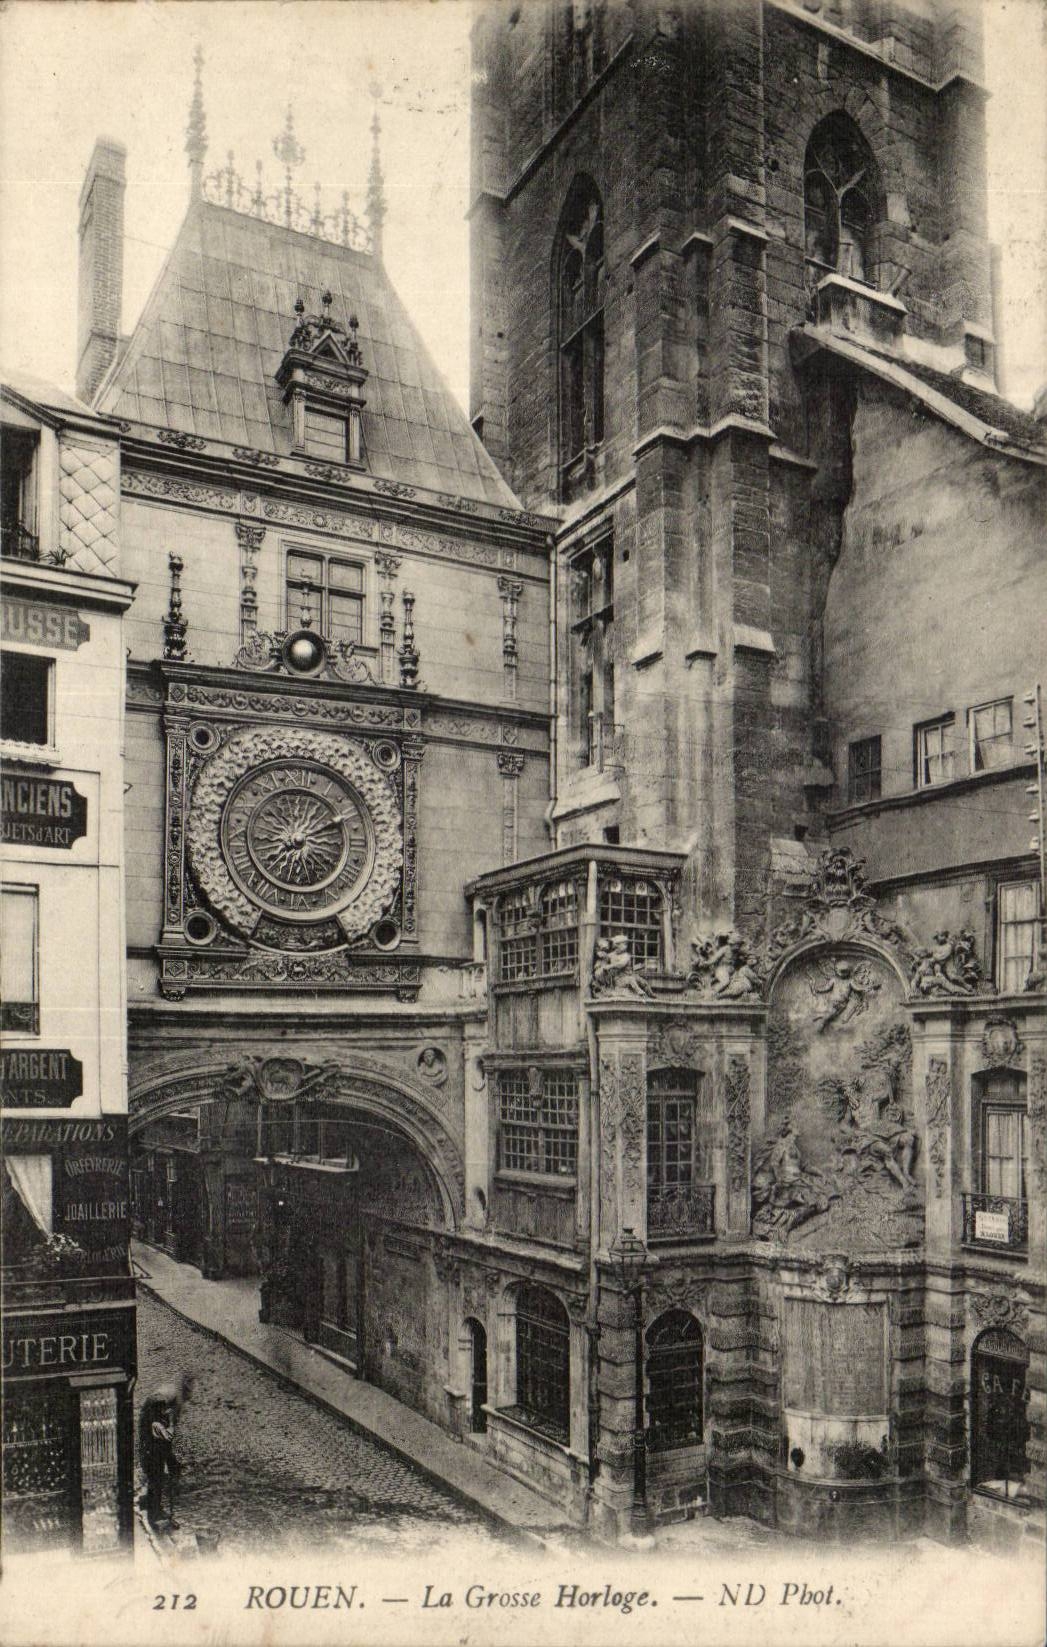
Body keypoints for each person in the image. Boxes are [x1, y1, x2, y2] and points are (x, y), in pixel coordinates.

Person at [138, 1370, 195, 1531]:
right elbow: (164, 1431)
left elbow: (169, 1433)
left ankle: (153, 1507)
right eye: (190, 1388)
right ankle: (154, 1514)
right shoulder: (167, 1401)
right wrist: (169, 1459)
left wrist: (170, 1460)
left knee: (157, 1475)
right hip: (152, 1438)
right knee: (156, 1475)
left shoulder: (174, 1397)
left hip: (155, 1434)